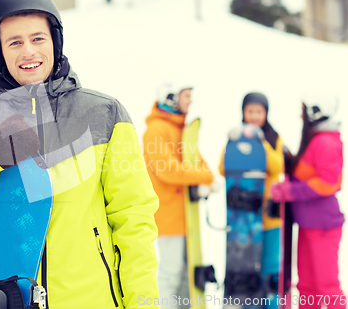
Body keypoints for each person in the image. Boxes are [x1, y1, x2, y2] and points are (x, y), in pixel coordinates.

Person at [0, 0, 160, 309]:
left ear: (55, 41)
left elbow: (133, 221)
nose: (28, 51)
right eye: (15, 42)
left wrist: (144, 304)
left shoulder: (104, 114)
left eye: (38, 39)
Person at [271, 92, 345, 309]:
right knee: (307, 288)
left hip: (323, 226)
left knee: (326, 287)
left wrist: (291, 191)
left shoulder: (325, 143)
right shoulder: (316, 140)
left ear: (315, 112)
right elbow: (308, 174)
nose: (300, 115)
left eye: (304, 110)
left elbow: (328, 182)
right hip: (308, 224)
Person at [143, 86, 215, 308]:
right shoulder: (156, 130)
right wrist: (205, 177)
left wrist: (204, 177)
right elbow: (169, 170)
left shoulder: (182, 130)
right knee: (170, 275)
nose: (190, 101)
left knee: (187, 276)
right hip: (168, 217)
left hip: (186, 217)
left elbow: (196, 161)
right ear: (172, 97)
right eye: (187, 96)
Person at [219, 92, 284, 303]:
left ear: (266, 113)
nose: (254, 116)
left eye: (259, 111)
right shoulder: (236, 137)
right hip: (245, 220)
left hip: (270, 218)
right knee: (246, 272)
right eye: (250, 111)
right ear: (243, 113)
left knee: (269, 270)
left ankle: (272, 305)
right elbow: (223, 167)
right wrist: (234, 141)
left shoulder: (273, 138)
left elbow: (277, 166)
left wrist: (261, 142)